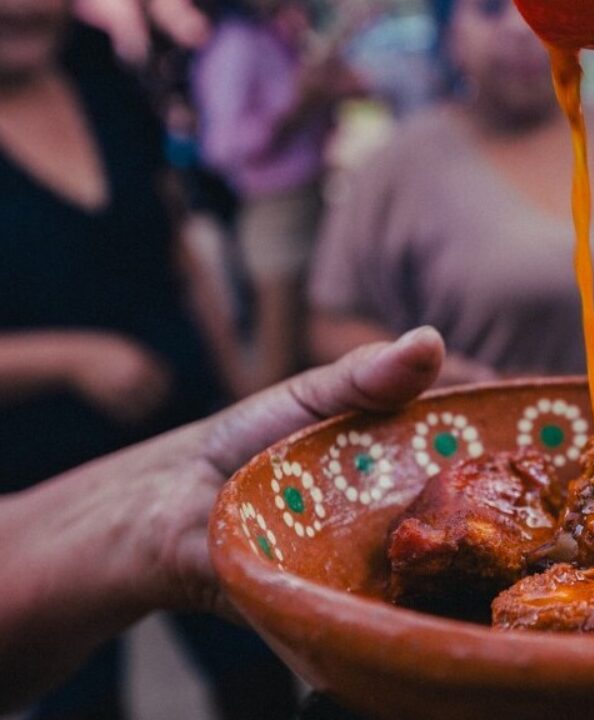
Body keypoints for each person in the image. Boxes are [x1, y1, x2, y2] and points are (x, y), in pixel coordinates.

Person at [0, 1, 288, 715]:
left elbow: (178, 249)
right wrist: (67, 357)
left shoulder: (101, 76)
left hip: (180, 425)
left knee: (257, 664)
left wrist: (240, 383)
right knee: (81, 698)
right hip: (43, 474)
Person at [0, 328, 445, 713]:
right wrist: (69, 356)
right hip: (41, 444)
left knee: (252, 673)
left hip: (181, 415)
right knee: (85, 699)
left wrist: (214, 432)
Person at [308, 0, 594, 382]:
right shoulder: (400, 164)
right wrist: (438, 375)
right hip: (504, 441)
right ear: (451, 34)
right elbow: (329, 328)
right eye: (491, 8)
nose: (522, 27)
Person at [193, 0, 362, 393]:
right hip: (275, 212)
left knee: (309, 346)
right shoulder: (235, 46)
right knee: (277, 361)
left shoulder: (275, 36)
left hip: (308, 200)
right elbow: (221, 147)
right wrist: (295, 104)